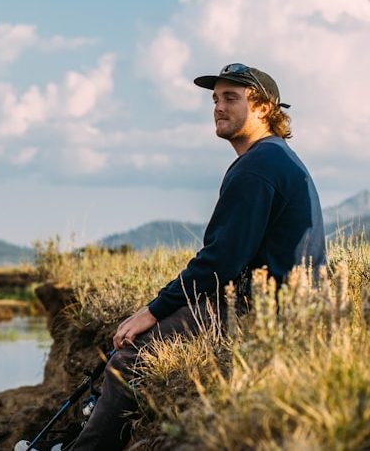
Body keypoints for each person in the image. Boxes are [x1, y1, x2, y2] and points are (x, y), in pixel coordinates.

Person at [70, 63, 327, 450]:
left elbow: (220, 262)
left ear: (263, 107)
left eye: (231, 98)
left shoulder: (259, 166)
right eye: (215, 99)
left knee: (128, 360)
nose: (218, 108)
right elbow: (230, 260)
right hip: (280, 303)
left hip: (266, 312)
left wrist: (151, 311)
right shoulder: (274, 157)